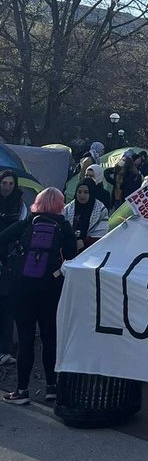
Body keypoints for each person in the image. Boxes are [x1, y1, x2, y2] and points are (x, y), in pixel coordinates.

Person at [0, 187, 77, 405]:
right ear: (60, 205)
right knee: (49, 337)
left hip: (23, 287)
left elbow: (2, 239)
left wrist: (12, 263)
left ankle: (21, 391)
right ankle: (51, 386)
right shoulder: (63, 225)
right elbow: (71, 255)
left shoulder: (28, 222)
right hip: (50, 287)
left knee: (25, 339)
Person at [0, 170, 27, 367]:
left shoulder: (20, 206)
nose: (6, 187)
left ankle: (5, 348)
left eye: (10, 183)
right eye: (4, 183)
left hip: (9, 261)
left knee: (6, 305)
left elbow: (21, 232)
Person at [63, 181, 109, 254]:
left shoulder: (100, 210)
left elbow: (102, 233)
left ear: (91, 193)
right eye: (79, 192)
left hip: (92, 251)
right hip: (69, 250)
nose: (82, 195)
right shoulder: (68, 209)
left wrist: (84, 242)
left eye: (86, 192)